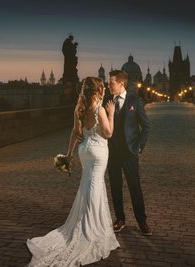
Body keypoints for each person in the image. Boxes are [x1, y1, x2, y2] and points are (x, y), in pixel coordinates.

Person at [26, 77, 119, 266]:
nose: (104, 91)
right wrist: (111, 114)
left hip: (84, 151)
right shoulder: (99, 109)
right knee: (95, 187)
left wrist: (69, 155)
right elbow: (108, 133)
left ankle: (90, 222)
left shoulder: (79, 109)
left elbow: (75, 133)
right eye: (102, 88)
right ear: (98, 91)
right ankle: (90, 228)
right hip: (99, 152)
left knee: (88, 185)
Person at [106, 70, 152, 236]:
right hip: (112, 153)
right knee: (115, 187)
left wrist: (139, 146)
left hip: (130, 152)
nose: (108, 85)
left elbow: (146, 127)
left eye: (111, 83)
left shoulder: (135, 100)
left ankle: (142, 221)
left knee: (135, 187)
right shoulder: (107, 100)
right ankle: (120, 219)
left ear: (121, 84)